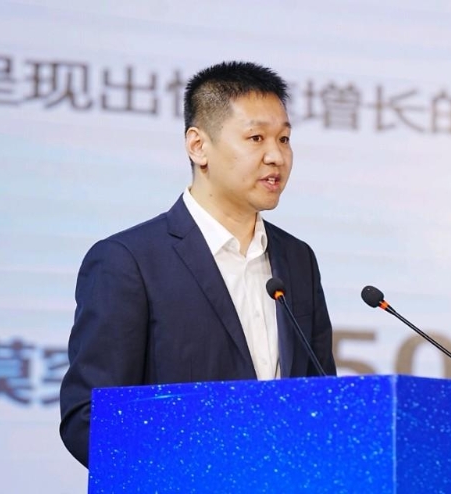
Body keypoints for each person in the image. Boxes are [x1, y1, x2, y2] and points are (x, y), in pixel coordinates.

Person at [59, 61, 337, 468]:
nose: (276, 156)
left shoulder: (298, 259)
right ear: (198, 146)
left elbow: (321, 399)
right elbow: (88, 418)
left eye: (284, 139)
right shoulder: (128, 261)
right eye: (256, 138)